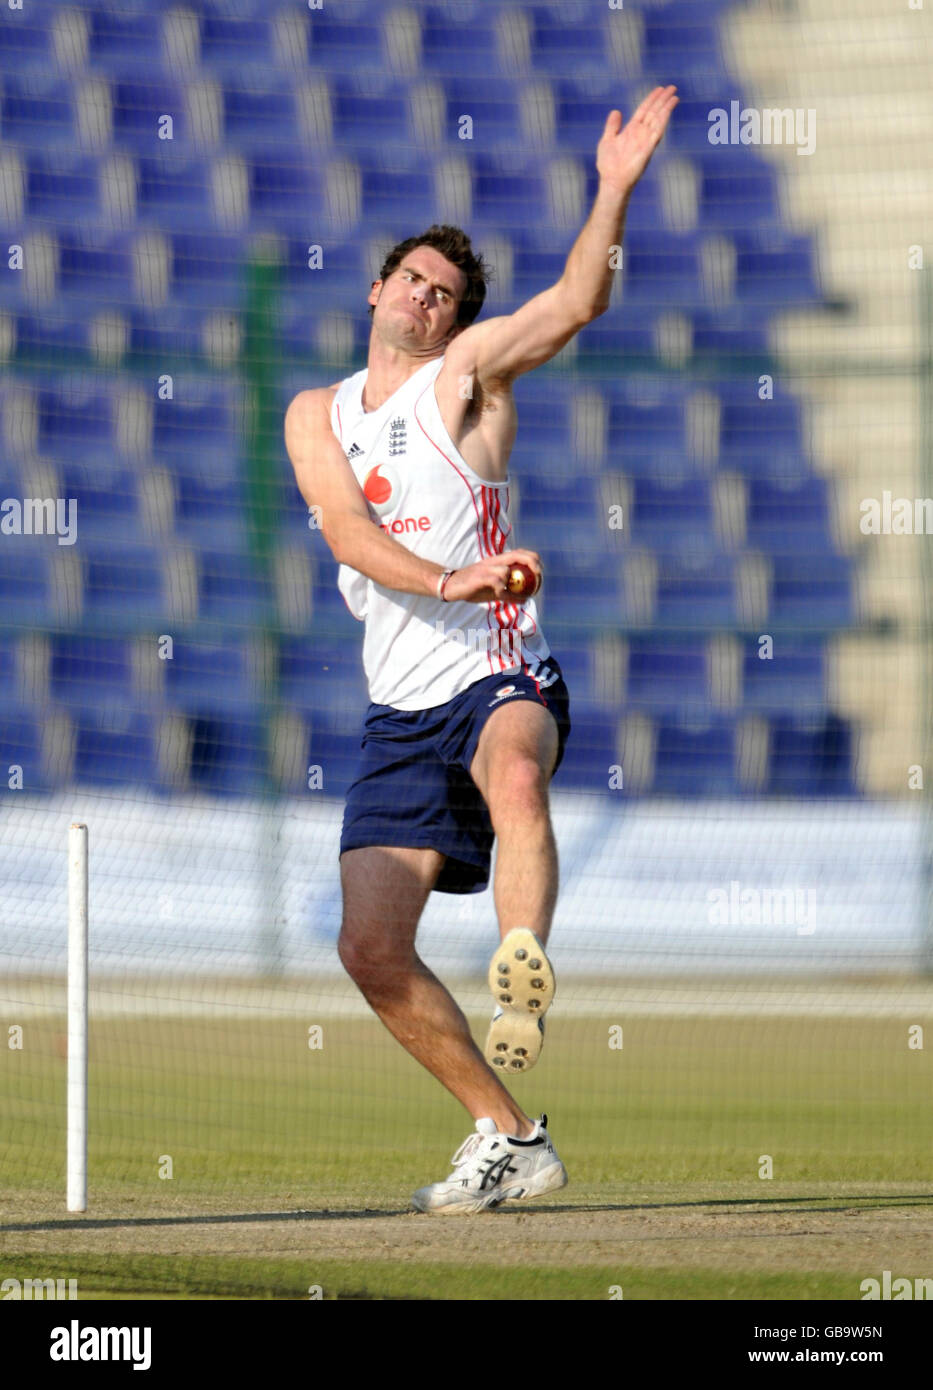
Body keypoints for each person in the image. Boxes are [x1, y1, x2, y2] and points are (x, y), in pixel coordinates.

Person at [285, 89, 678, 1213]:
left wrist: (612, 190)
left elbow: (571, 302)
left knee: (514, 768)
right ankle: (508, 1135)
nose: (426, 297)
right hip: (400, 706)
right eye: (412, 279)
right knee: (370, 949)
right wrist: (442, 574)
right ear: (376, 288)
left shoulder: (467, 379)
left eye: (446, 293)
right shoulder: (317, 413)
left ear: (457, 321)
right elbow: (348, 532)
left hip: (501, 668)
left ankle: (522, 965)